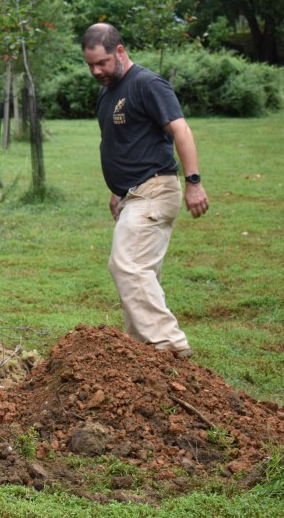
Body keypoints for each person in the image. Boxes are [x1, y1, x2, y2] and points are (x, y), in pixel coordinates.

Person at [82, 23, 209, 358]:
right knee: (142, 272)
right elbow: (121, 141)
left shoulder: (146, 84)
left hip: (155, 189)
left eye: (103, 63)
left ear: (120, 52)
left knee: (128, 265)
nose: (97, 71)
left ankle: (169, 346)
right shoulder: (107, 91)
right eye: (91, 65)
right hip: (133, 193)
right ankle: (144, 354)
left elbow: (181, 130)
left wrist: (194, 182)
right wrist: (118, 189)